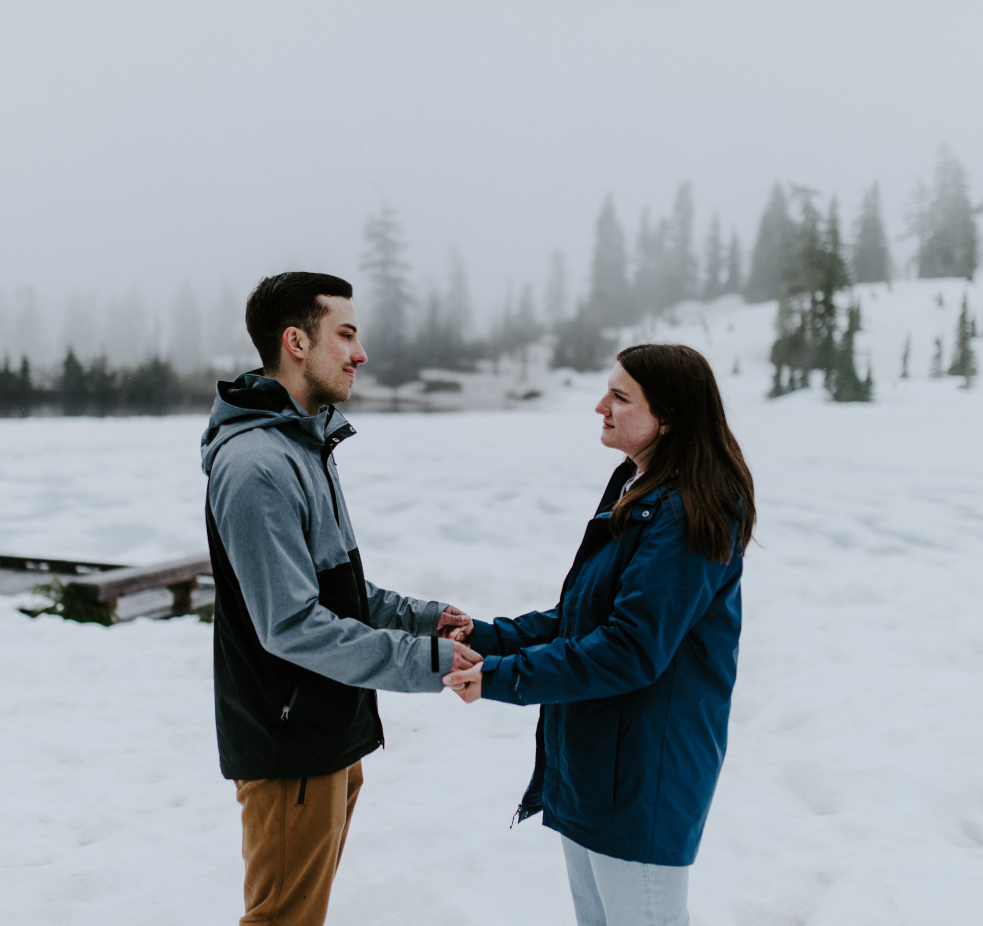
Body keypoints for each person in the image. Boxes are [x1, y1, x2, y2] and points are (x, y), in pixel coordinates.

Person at [201, 271, 479, 926]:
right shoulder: (257, 466)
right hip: (289, 742)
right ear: (296, 341)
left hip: (327, 731)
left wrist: (419, 618)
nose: (360, 353)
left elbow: (338, 589)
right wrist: (424, 659)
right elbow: (293, 624)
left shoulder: (304, 445)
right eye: (346, 334)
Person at [444, 343, 755, 926]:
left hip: (642, 778)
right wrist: (485, 638)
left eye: (619, 397)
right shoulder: (636, 487)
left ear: (668, 417)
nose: (599, 407)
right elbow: (577, 619)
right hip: (593, 768)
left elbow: (631, 649)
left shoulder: (689, 509)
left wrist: (502, 679)